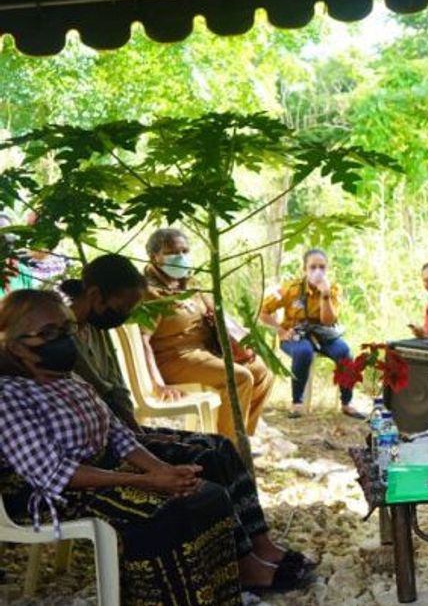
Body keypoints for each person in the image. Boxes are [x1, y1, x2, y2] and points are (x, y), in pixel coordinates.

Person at [0, 290, 290, 602]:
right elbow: (54, 472)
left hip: (99, 471)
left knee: (203, 491)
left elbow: (117, 435)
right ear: (15, 345)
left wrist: (165, 471)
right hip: (48, 495)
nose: (62, 339)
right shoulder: (9, 395)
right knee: (165, 512)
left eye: (66, 330)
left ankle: (225, 588)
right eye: (47, 333)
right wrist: (146, 480)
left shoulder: (68, 381)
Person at [63, 254, 316, 580]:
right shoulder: (62, 338)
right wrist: (139, 436)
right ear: (96, 297)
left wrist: (137, 429)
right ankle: (241, 563)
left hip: (123, 433)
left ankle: (260, 544)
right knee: (205, 458)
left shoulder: (94, 329)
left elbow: (117, 389)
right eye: (123, 307)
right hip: (103, 444)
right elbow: (97, 395)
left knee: (222, 446)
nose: (125, 315)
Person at [141, 228, 275, 441]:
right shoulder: (150, 292)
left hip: (205, 352)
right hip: (175, 358)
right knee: (240, 378)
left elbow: (220, 316)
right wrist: (156, 382)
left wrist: (241, 339)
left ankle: (240, 439)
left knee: (262, 372)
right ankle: (228, 448)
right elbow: (143, 340)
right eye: (173, 252)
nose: (181, 257)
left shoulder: (190, 284)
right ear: (154, 257)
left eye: (185, 251)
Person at [260, 248, 363, 419]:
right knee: (303, 352)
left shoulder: (332, 290)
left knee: (344, 352)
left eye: (322, 267)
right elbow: (263, 311)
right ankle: (297, 403)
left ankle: (347, 403)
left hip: (323, 333)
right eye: (313, 267)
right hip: (295, 334)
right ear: (304, 269)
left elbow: (328, 321)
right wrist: (280, 330)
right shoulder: (291, 289)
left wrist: (325, 295)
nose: (318, 272)